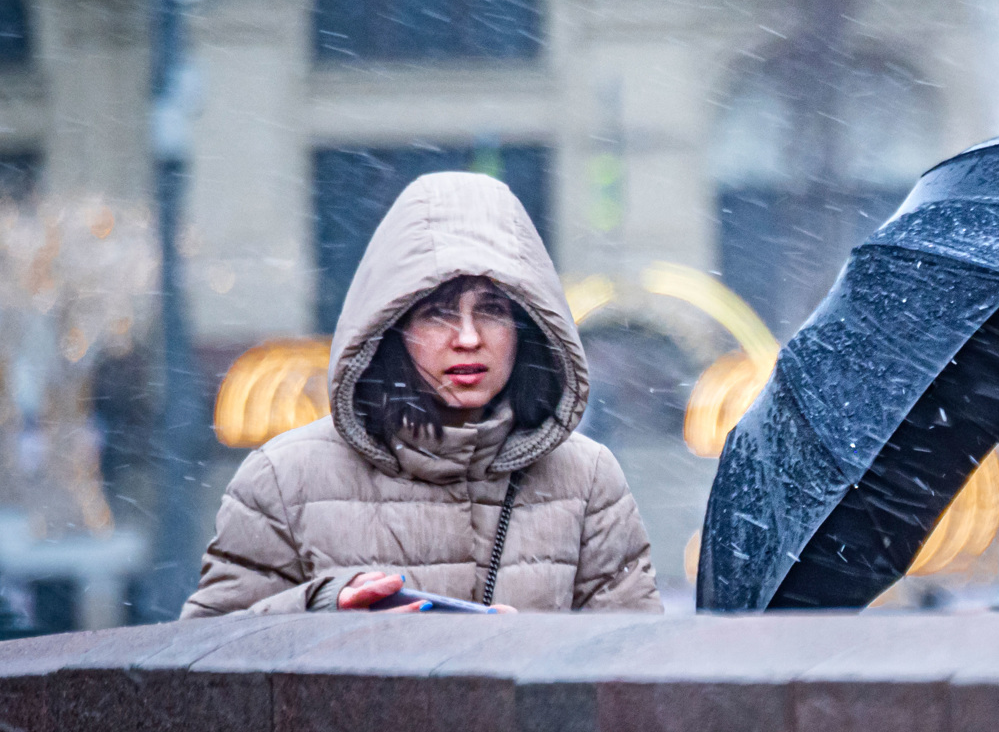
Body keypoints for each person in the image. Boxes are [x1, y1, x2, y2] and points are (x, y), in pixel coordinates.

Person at [182, 172, 662, 616]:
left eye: (492, 310)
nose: (469, 338)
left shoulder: (587, 479)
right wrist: (323, 611)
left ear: (526, 327)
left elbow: (635, 670)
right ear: (394, 329)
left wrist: (538, 658)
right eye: (439, 313)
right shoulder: (284, 479)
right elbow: (202, 665)